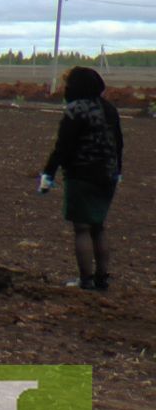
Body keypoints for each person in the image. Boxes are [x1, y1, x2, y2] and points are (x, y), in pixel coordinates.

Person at [39, 66, 124, 291]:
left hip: (81, 175)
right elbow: (119, 143)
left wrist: (48, 173)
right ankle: (102, 279)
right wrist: (118, 171)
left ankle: (85, 281)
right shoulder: (109, 109)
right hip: (108, 176)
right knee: (99, 226)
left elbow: (63, 147)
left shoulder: (75, 110)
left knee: (82, 228)